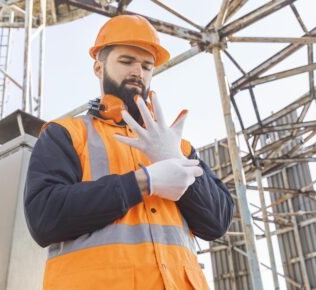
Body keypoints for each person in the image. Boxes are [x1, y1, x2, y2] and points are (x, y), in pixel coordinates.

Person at [24, 14, 234, 290]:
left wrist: (176, 160)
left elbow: (217, 223)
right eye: (126, 62)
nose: (138, 71)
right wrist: (144, 182)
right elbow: (44, 218)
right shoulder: (67, 134)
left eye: (147, 66)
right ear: (98, 68)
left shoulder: (177, 145)